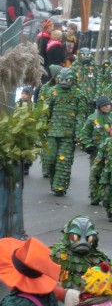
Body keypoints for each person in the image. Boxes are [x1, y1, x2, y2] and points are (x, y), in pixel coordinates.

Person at [42, 67, 85, 196]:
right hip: (52, 132)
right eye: (62, 79)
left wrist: (79, 134)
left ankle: (59, 186)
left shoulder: (78, 94)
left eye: (68, 79)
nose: (65, 82)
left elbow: (81, 115)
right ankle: (52, 178)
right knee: (49, 159)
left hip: (68, 134)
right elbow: (45, 111)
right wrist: (42, 126)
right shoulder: (52, 92)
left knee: (63, 161)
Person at [81, 96, 112, 205]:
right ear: (99, 107)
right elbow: (84, 134)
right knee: (95, 173)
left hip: (110, 153)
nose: (107, 107)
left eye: (108, 104)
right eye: (104, 105)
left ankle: (106, 198)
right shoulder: (92, 118)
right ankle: (95, 196)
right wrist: (88, 145)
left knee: (107, 175)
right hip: (97, 152)